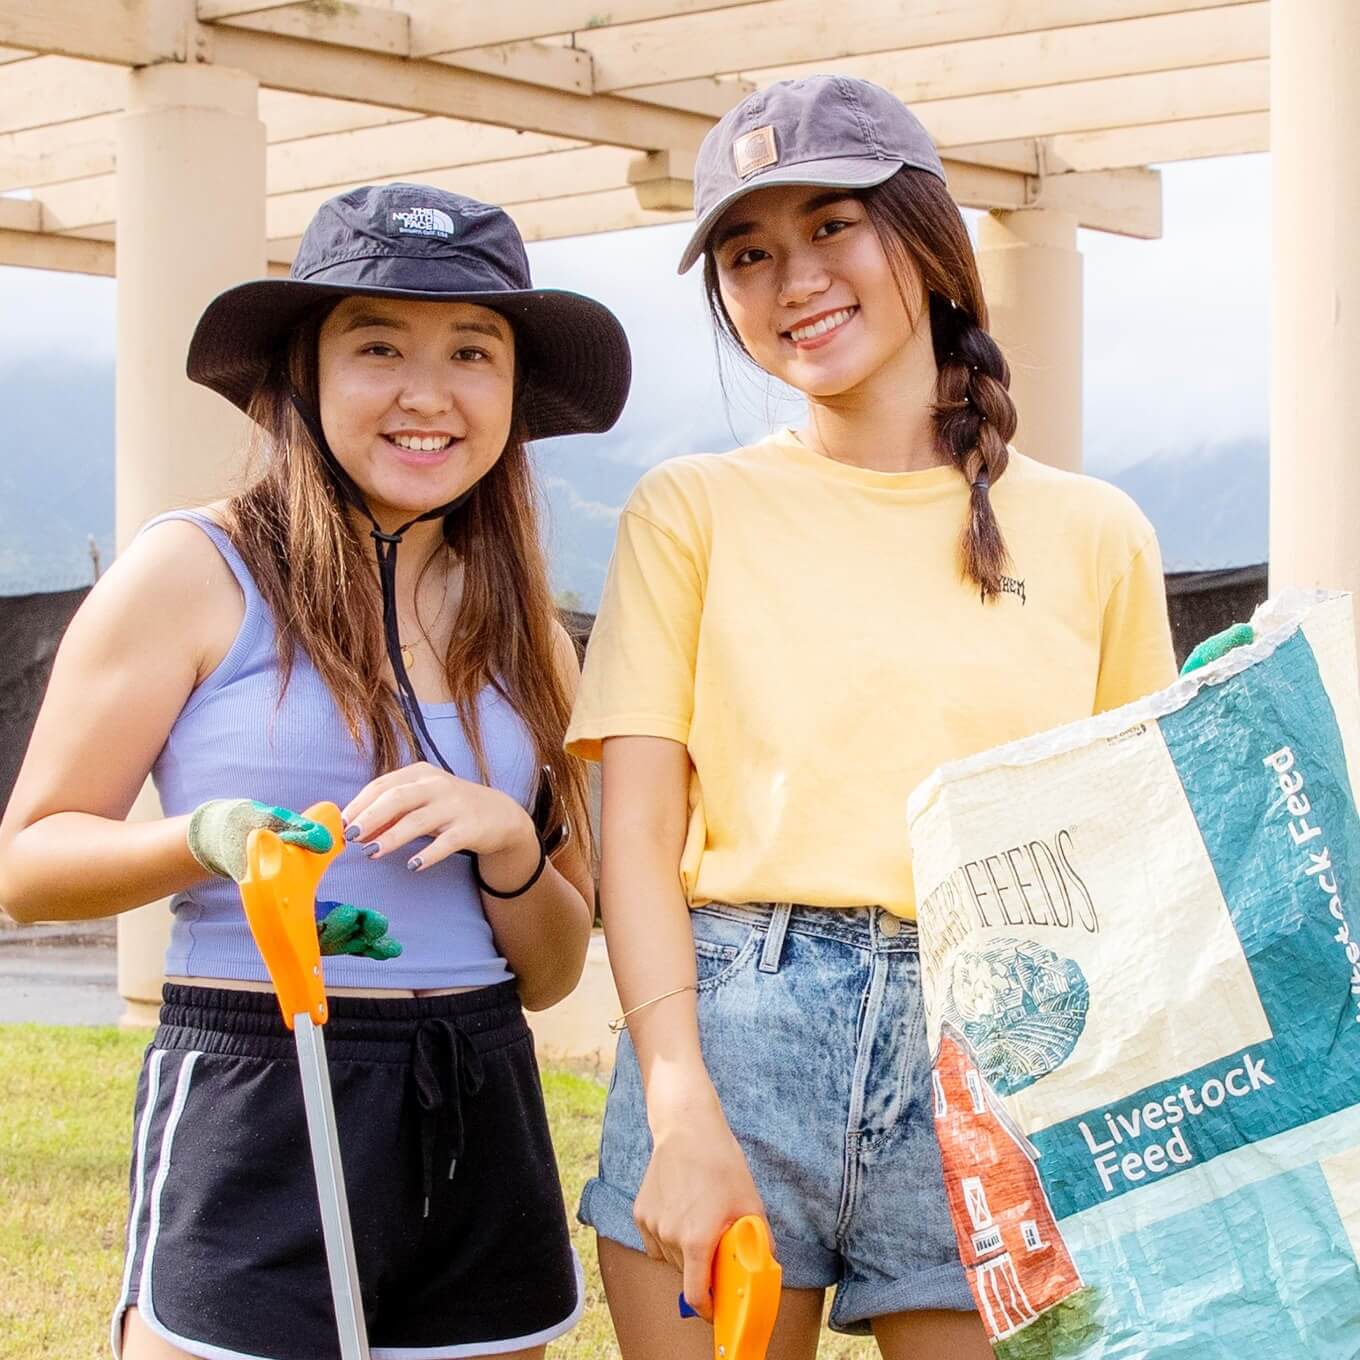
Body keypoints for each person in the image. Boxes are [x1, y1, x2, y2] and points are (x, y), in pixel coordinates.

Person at [565, 76, 1177, 1360]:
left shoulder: (1094, 531)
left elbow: (1133, 858)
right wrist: (678, 1100)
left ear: (929, 239)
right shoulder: (688, 510)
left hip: (999, 1047)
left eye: (833, 225)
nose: (794, 280)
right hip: (733, 1027)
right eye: (748, 253)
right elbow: (634, 834)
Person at [0, 183, 631, 1360]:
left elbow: (548, 970)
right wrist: (204, 838)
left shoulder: (531, 630)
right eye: (377, 344)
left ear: (511, 390)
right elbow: (29, 867)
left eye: (471, 350)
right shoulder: (193, 570)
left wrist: (509, 843)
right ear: (303, 370)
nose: (426, 391)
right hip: (256, 1089)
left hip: (478, 1099)